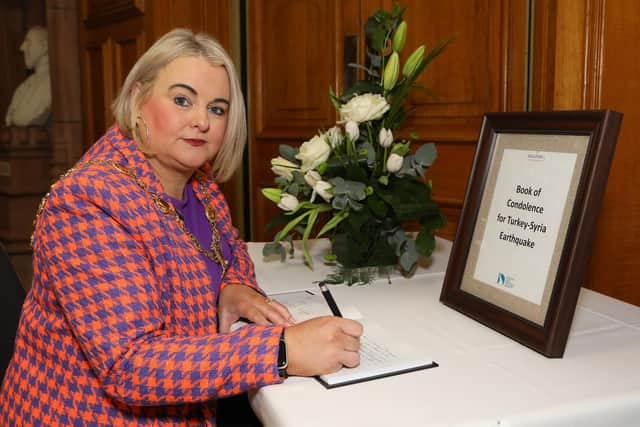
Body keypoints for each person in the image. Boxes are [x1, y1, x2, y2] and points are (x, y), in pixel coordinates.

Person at [0, 28, 362, 425]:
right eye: (182, 100)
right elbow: (130, 366)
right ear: (138, 99)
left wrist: (235, 285)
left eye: (217, 108)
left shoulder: (198, 182)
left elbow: (229, 249)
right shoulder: (88, 204)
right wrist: (280, 349)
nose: (201, 121)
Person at [4, 26, 51, 127]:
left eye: (28, 41)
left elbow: (20, 118)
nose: (22, 47)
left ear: (45, 45)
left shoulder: (52, 82)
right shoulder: (26, 85)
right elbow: (9, 118)